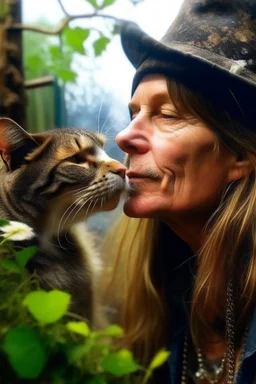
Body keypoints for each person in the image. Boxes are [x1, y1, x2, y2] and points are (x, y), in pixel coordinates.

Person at [103, 0, 256, 382]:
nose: (124, 136)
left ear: (240, 153)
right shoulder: (156, 304)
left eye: (166, 115)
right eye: (133, 113)